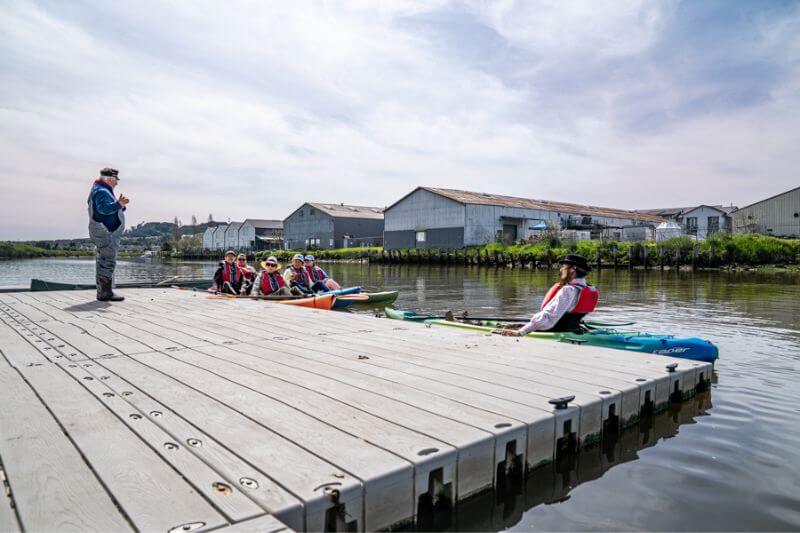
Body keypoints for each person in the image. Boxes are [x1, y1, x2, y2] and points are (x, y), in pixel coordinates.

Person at [502, 254, 599, 336]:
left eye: (563, 266)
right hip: (573, 328)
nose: (561, 269)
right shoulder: (591, 289)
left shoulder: (568, 290)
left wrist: (521, 332)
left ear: (573, 269)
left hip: (555, 329)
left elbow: (549, 317)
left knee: (508, 327)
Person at [87, 167, 130, 302]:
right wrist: (118, 204)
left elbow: (104, 209)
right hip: (106, 232)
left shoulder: (99, 189)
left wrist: (120, 206)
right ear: (110, 179)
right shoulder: (102, 191)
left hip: (103, 231)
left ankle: (104, 291)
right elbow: (103, 209)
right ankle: (105, 293)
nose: (117, 182)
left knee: (103, 260)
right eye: (116, 179)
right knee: (107, 261)